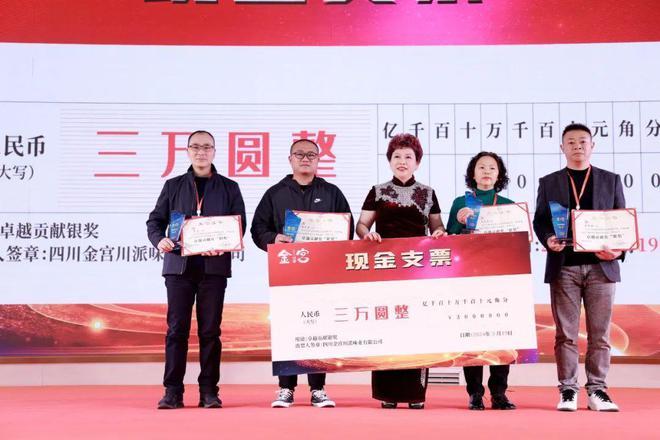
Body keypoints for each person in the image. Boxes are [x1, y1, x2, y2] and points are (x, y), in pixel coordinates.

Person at [251, 138, 354, 408]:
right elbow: (257, 229)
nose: (305, 158)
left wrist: (334, 245)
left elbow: (347, 228)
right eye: (299, 154)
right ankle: (285, 388)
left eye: (311, 154)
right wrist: (274, 238)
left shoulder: (332, 193)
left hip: (321, 273)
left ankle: (318, 388)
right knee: (287, 327)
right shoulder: (275, 193)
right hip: (287, 272)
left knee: (320, 327)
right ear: (290, 159)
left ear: (319, 160)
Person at [147, 130, 246, 409]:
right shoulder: (173, 185)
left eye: (207, 147)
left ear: (214, 151)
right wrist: (160, 240)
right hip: (179, 267)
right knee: (176, 330)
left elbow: (239, 223)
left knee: (210, 331)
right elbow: (155, 221)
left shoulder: (229, 187)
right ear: (187, 151)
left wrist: (224, 244)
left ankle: (209, 391)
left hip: (213, 268)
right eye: (195, 147)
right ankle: (173, 392)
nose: (201, 152)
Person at [533, 123, 624, 412]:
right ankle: (568, 389)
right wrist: (548, 238)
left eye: (583, 141)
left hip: (601, 267)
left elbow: (621, 221)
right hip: (564, 267)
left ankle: (598, 390)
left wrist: (619, 250)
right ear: (562, 148)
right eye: (571, 142)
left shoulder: (611, 180)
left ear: (592, 146)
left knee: (600, 334)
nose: (577, 146)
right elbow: (540, 220)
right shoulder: (549, 182)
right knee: (566, 334)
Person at [356, 133, 446, 409]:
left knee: (418, 327)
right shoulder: (378, 191)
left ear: (417, 162)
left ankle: (415, 394)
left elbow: (437, 227)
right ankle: (388, 394)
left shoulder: (428, 193)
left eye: (408, 157)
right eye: (397, 156)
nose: (402, 161)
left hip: (418, 271)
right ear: (389, 161)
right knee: (387, 325)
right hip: (385, 270)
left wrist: (440, 233)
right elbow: (361, 225)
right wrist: (367, 235)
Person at [446, 151, 517, 411]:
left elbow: (517, 242)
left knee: (501, 335)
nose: (487, 171)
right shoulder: (460, 202)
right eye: (481, 167)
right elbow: (448, 239)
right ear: (472, 173)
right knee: (471, 335)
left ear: (499, 175)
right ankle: (475, 393)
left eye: (492, 168)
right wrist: (458, 222)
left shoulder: (508, 204)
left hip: (500, 277)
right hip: (468, 277)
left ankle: (499, 393)